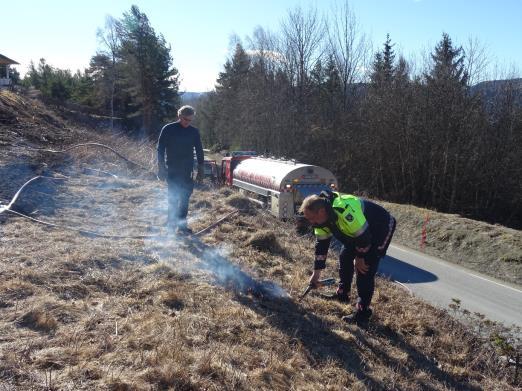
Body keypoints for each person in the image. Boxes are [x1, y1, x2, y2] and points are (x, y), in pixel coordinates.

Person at [299, 190, 396, 326]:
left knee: (364, 269)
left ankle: (363, 312)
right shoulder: (321, 220)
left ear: (321, 211)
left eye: (311, 218)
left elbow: (364, 238)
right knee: (345, 257)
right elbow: (321, 246)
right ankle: (342, 293)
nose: (310, 222)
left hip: (380, 227)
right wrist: (316, 274)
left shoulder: (343, 210)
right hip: (357, 231)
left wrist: (360, 257)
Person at [157, 105, 204, 234]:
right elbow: (160, 149)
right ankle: (171, 224)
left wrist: (200, 169)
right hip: (172, 169)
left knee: (185, 198)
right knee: (173, 197)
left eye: (190, 120)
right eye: (185, 119)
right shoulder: (168, 129)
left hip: (187, 170)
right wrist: (161, 167)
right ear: (179, 116)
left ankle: (182, 225)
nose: (187, 122)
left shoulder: (193, 132)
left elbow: (199, 150)